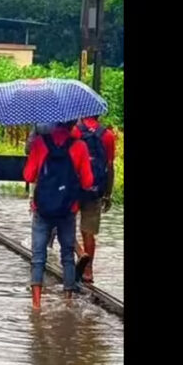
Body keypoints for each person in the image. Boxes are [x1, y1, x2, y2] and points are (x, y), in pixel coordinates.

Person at [23, 121, 94, 309]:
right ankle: (68, 301)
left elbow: (28, 176)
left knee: (38, 256)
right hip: (68, 209)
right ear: (72, 124)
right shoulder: (80, 146)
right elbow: (88, 182)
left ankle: (36, 306)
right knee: (67, 256)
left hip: (42, 208)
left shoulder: (39, 143)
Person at [74, 115, 115, 284]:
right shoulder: (107, 135)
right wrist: (108, 193)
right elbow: (110, 165)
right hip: (95, 189)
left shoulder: (74, 131)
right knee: (89, 231)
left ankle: (79, 253)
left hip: (73, 188)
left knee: (63, 224)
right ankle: (89, 271)